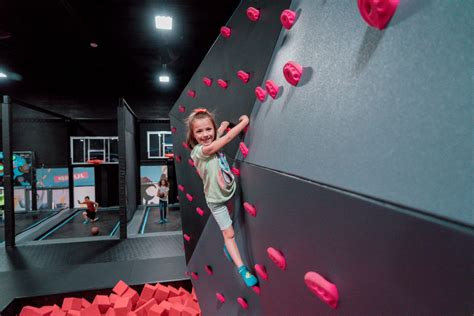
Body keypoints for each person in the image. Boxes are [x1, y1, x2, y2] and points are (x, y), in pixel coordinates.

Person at [186, 108, 258, 287]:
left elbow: (217, 136)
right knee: (229, 233)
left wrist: (223, 125)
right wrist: (243, 123)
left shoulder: (212, 139)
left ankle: (229, 246)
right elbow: (224, 139)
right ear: (193, 135)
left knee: (233, 221)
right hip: (216, 201)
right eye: (199, 131)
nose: (205, 134)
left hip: (230, 190)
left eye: (208, 129)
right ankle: (242, 269)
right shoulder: (199, 151)